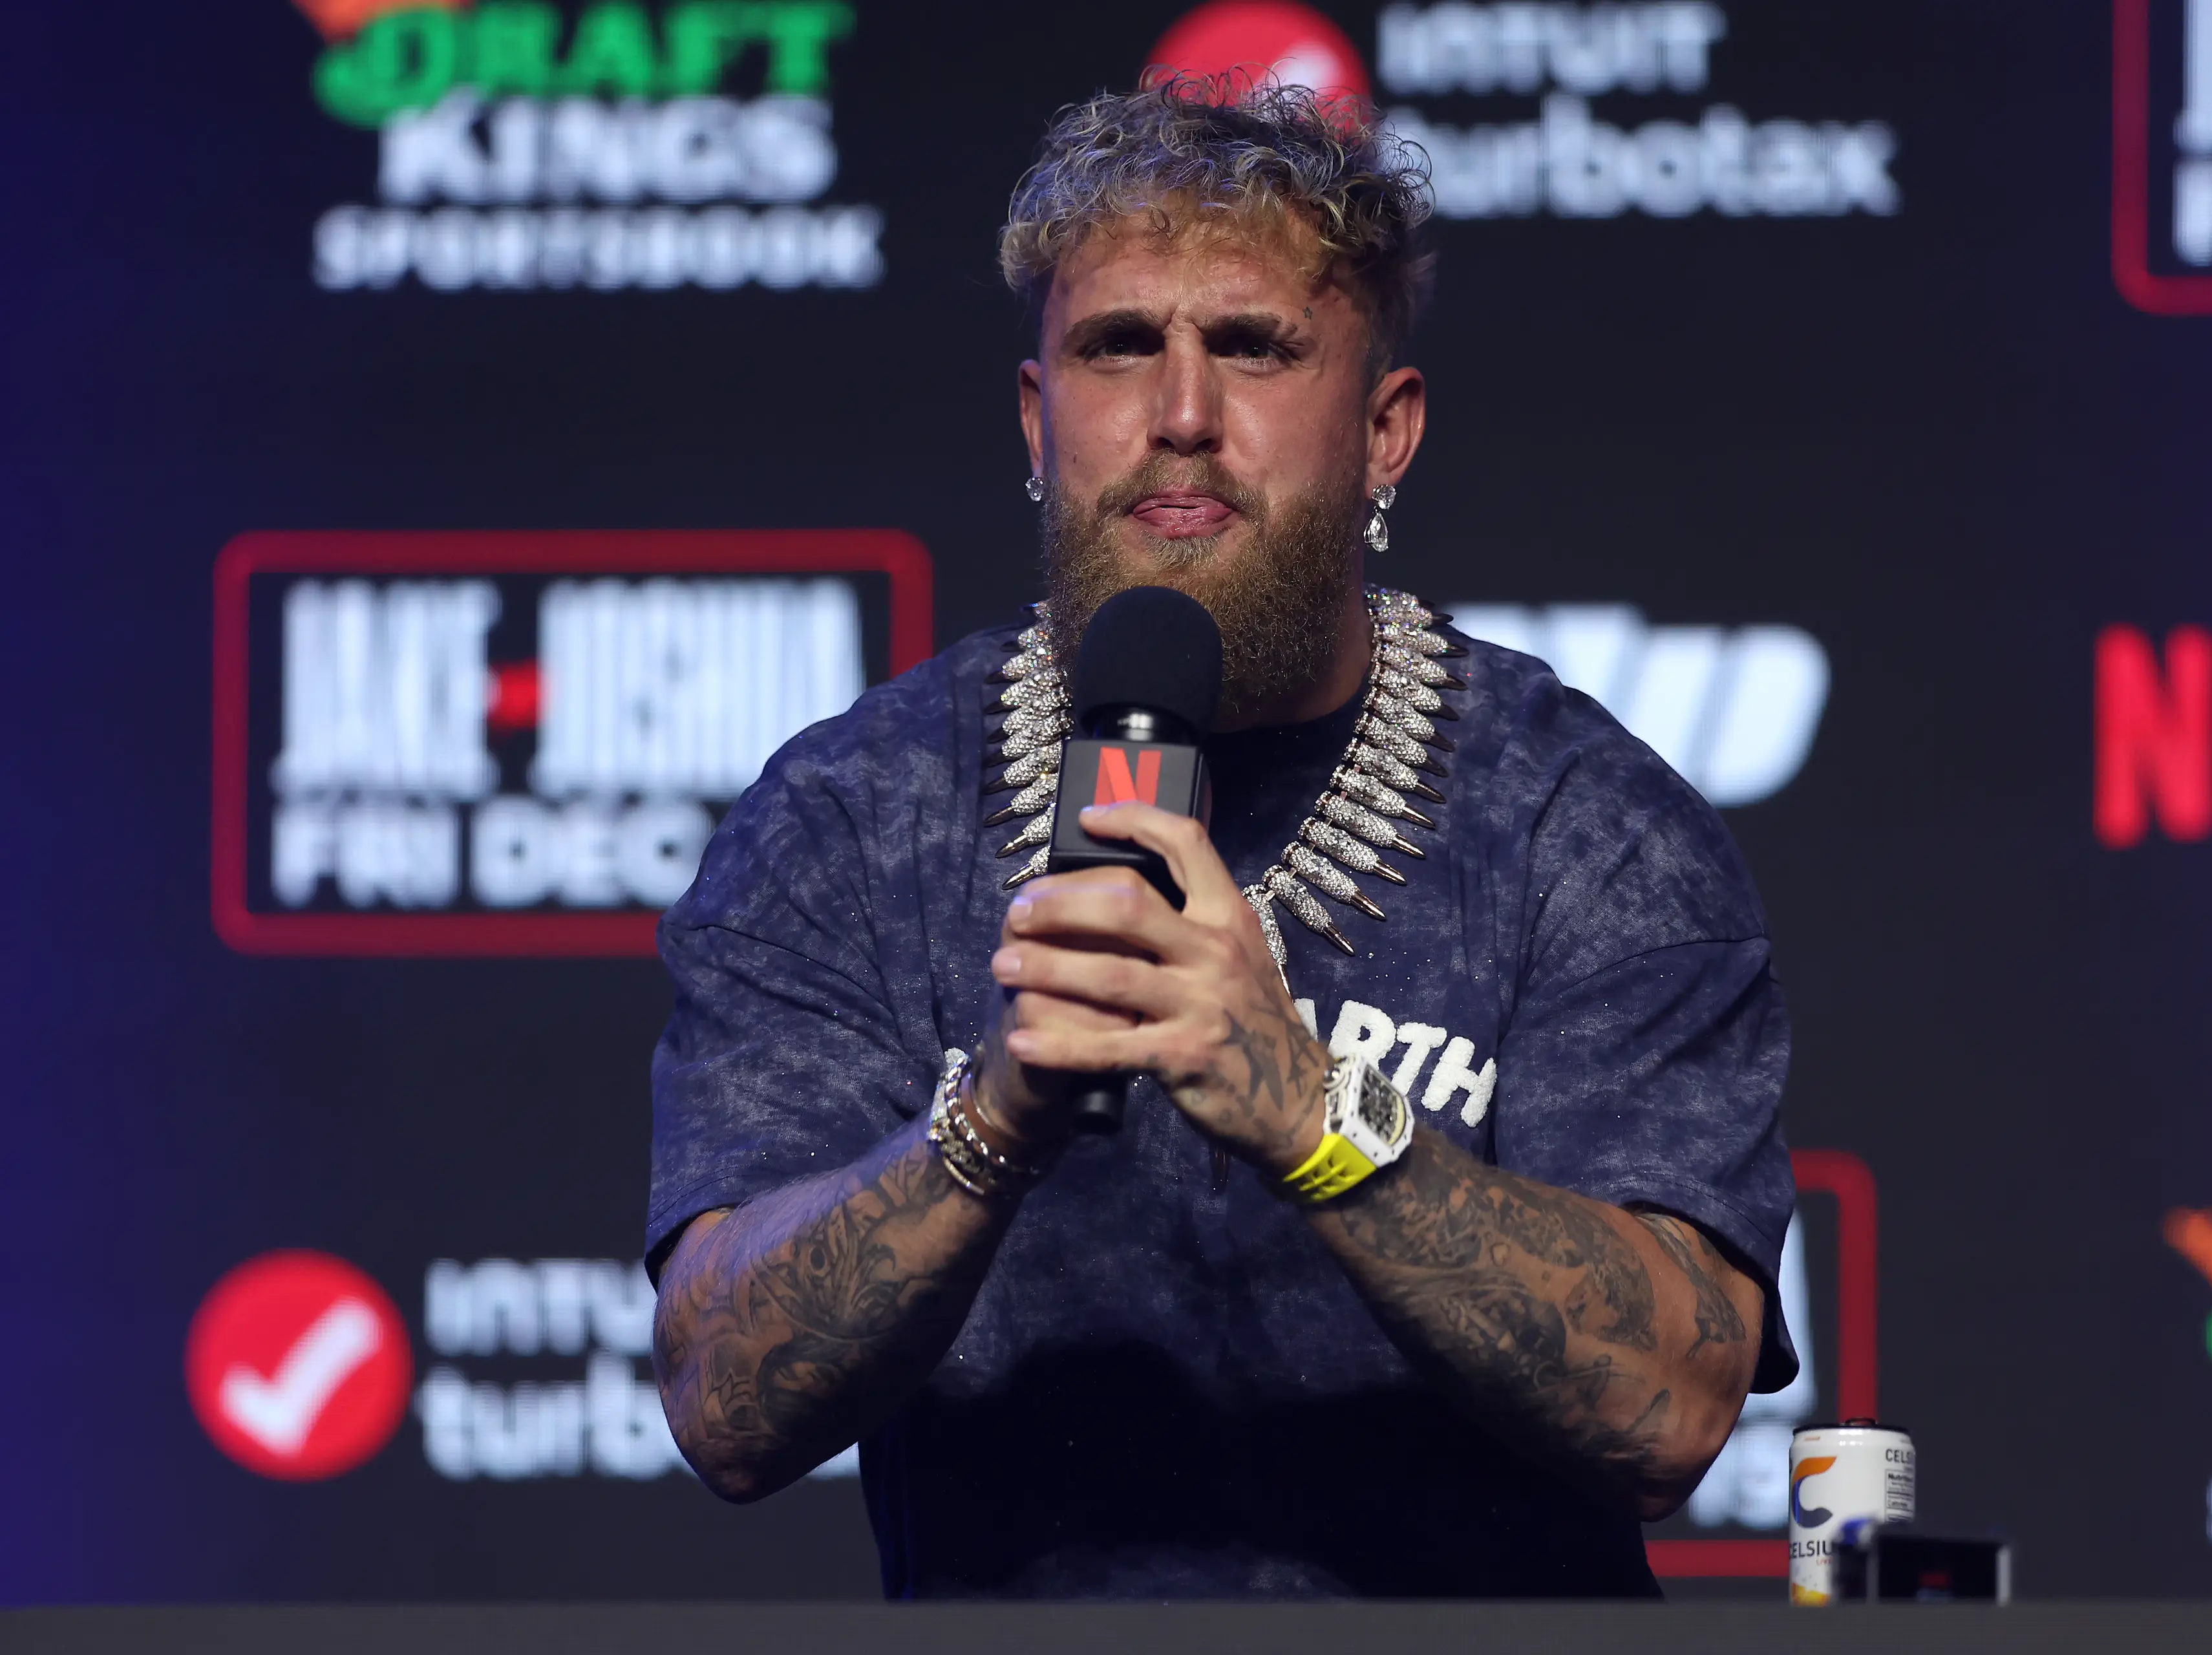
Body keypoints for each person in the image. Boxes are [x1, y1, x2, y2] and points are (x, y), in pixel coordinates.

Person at [644, 74, 1796, 1599]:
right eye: (1120, 346)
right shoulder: (857, 818)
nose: (1182, 418)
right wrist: (991, 1121)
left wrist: (1310, 1108)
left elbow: (1672, 1405)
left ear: (1387, 430)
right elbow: (721, 1401)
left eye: (1253, 347)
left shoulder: (1583, 826)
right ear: (1037, 418)